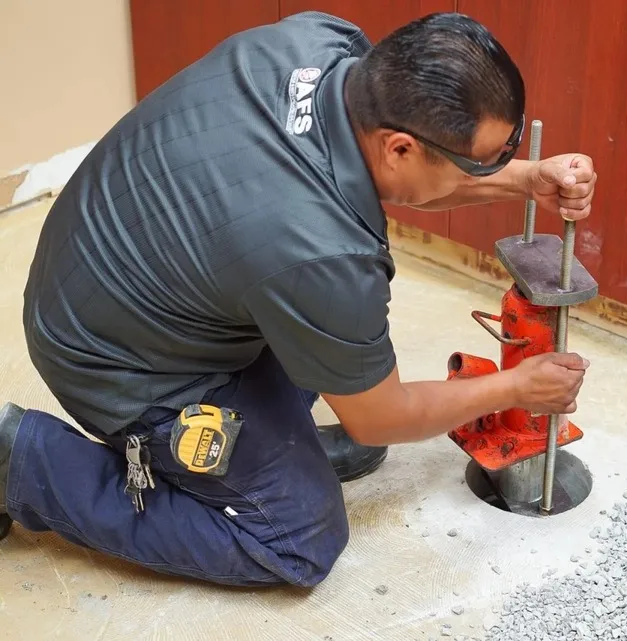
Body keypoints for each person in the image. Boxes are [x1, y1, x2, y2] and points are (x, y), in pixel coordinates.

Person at [0, 11, 595, 587]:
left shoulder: (319, 43)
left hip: (112, 265)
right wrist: (519, 387)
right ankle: (21, 461)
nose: (494, 168)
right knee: (299, 537)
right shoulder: (322, 254)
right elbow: (378, 418)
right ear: (399, 148)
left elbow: (386, 187)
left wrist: (523, 176)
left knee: (331, 344)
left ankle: (269, 452)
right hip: (112, 357)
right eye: (480, 162)